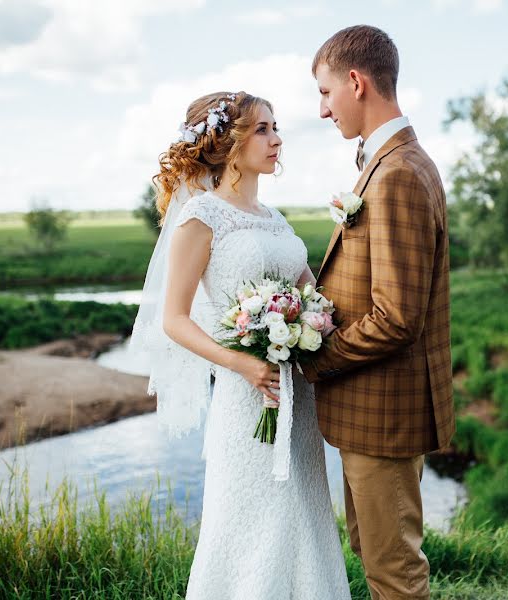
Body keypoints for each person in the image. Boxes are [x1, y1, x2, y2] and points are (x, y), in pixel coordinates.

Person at [130, 91, 351, 599]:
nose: (277, 140)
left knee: (303, 513)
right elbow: (175, 319)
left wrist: (312, 321)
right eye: (263, 130)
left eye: (275, 129)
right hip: (244, 396)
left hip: (297, 397)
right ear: (229, 142)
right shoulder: (202, 217)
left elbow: (311, 295)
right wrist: (240, 364)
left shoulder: (274, 218)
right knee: (249, 525)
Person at [301, 25, 455, 600]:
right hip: (372, 411)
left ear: (356, 82)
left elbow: (396, 316)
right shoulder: (387, 163)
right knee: (374, 553)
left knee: (394, 571)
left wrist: (315, 357)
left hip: (385, 413)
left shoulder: (396, 177)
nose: (322, 110)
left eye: (324, 92)